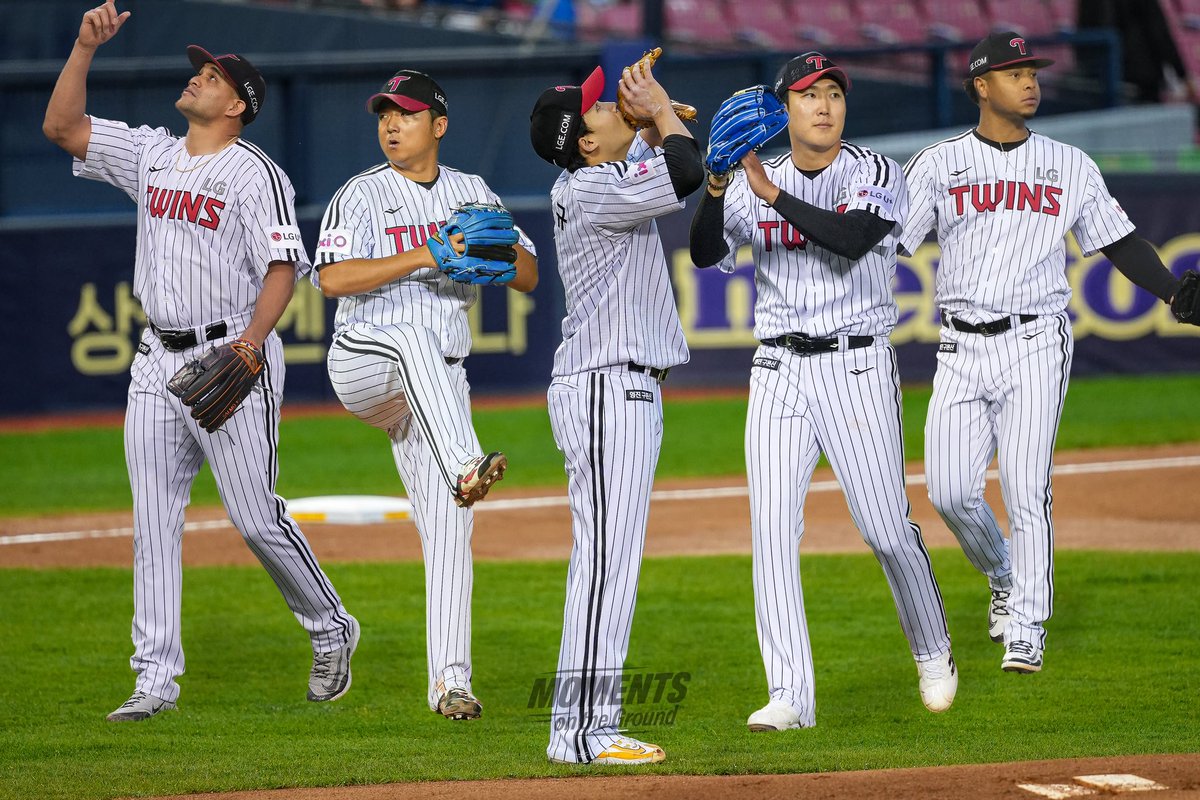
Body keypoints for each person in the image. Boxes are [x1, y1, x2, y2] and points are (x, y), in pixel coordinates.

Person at [42, 0, 359, 722]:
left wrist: (250, 345)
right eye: (198, 71)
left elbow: (284, 266)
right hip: (156, 357)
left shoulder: (257, 175)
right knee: (153, 520)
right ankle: (154, 681)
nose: (196, 80)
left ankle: (330, 626)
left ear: (238, 104)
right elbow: (62, 129)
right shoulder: (154, 151)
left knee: (255, 519)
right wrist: (84, 49)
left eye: (211, 76)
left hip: (230, 356)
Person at [901, 32, 1197, 673]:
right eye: (1013, 73)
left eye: (1032, 71)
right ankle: (1003, 574)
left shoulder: (1069, 164)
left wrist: (1174, 292)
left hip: (1037, 338)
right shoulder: (936, 164)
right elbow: (887, 244)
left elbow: (1119, 242)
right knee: (950, 491)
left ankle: (1027, 624)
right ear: (981, 86)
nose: (1029, 82)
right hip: (959, 345)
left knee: (1026, 487)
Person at [690, 53, 956, 731]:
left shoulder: (870, 170)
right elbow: (701, 253)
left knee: (886, 530)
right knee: (772, 533)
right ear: (786, 110)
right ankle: (790, 696)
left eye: (835, 92)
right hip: (778, 371)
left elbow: (854, 238)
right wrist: (718, 186)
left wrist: (767, 192)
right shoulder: (754, 181)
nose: (825, 105)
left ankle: (932, 649)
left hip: (857, 367)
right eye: (809, 94)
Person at [313, 68, 537, 721]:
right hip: (364, 362)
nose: (391, 124)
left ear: (438, 124)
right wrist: (424, 257)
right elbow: (331, 279)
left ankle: (451, 684)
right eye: (385, 113)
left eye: (407, 114)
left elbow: (527, 274)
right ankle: (467, 463)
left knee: (449, 531)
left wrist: (490, 258)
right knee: (409, 331)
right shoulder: (359, 194)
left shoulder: (472, 191)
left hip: (437, 385)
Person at [528, 60, 703, 764]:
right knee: (605, 564)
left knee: (607, 561)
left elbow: (679, 161)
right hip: (606, 388)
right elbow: (687, 174)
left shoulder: (596, 175)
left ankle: (585, 726)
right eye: (598, 109)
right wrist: (657, 112)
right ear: (586, 143)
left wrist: (652, 121)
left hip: (615, 387)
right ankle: (581, 732)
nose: (609, 105)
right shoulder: (597, 186)